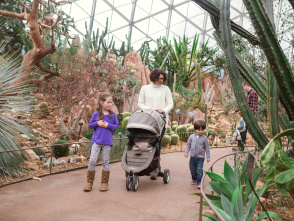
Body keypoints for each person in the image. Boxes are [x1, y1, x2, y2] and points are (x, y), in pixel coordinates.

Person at [138, 68, 174, 179]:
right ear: (154, 78)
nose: (161, 81)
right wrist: (148, 109)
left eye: (163, 79)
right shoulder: (145, 88)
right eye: (159, 78)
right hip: (147, 121)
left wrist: (164, 110)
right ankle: (142, 164)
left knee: (156, 145)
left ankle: (155, 167)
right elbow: (140, 103)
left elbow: (170, 103)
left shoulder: (165, 89)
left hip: (160, 122)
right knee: (143, 143)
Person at [83, 92, 119, 192]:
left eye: (111, 102)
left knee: (105, 162)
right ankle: (89, 182)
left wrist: (108, 126)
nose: (110, 104)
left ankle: (104, 183)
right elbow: (90, 125)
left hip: (107, 142)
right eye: (108, 102)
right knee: (92, 161)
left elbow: (116, 126)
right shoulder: (96, 114)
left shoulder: (112, 115)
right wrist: (97, 123)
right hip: (97, 142)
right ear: (102, 102)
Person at [184, 120, 210, 189]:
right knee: (192, 169)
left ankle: (199, 181)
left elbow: (207, 148)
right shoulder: (191, 137)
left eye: (202, 130)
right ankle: (194, 179)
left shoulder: (204, 138)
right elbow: (188, 145)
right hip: (192, 157)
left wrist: (208, 157)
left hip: (200, 158)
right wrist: (186, 152)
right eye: (199, 130)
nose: (200, 131)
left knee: (199, 170)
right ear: (195, 129)